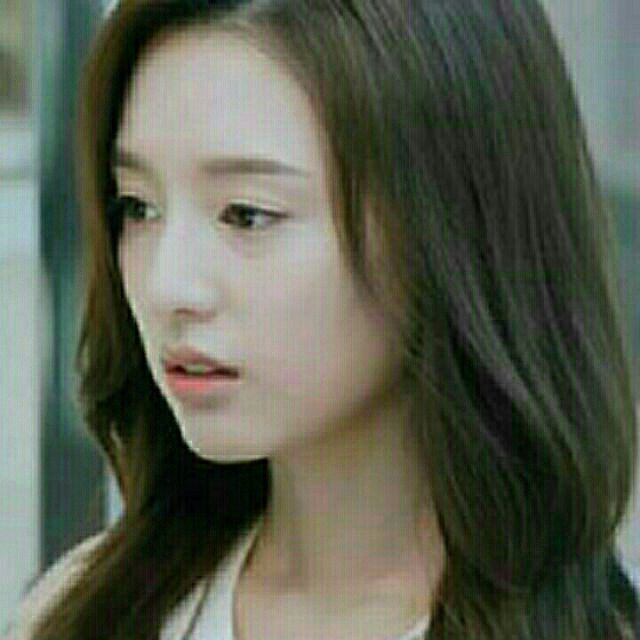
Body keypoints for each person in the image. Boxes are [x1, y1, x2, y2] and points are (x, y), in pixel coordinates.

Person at [4, 0, 640, 638]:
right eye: (138, 207)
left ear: (449, 225)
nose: (167, 285)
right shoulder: (88, 611)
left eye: (246, 214)